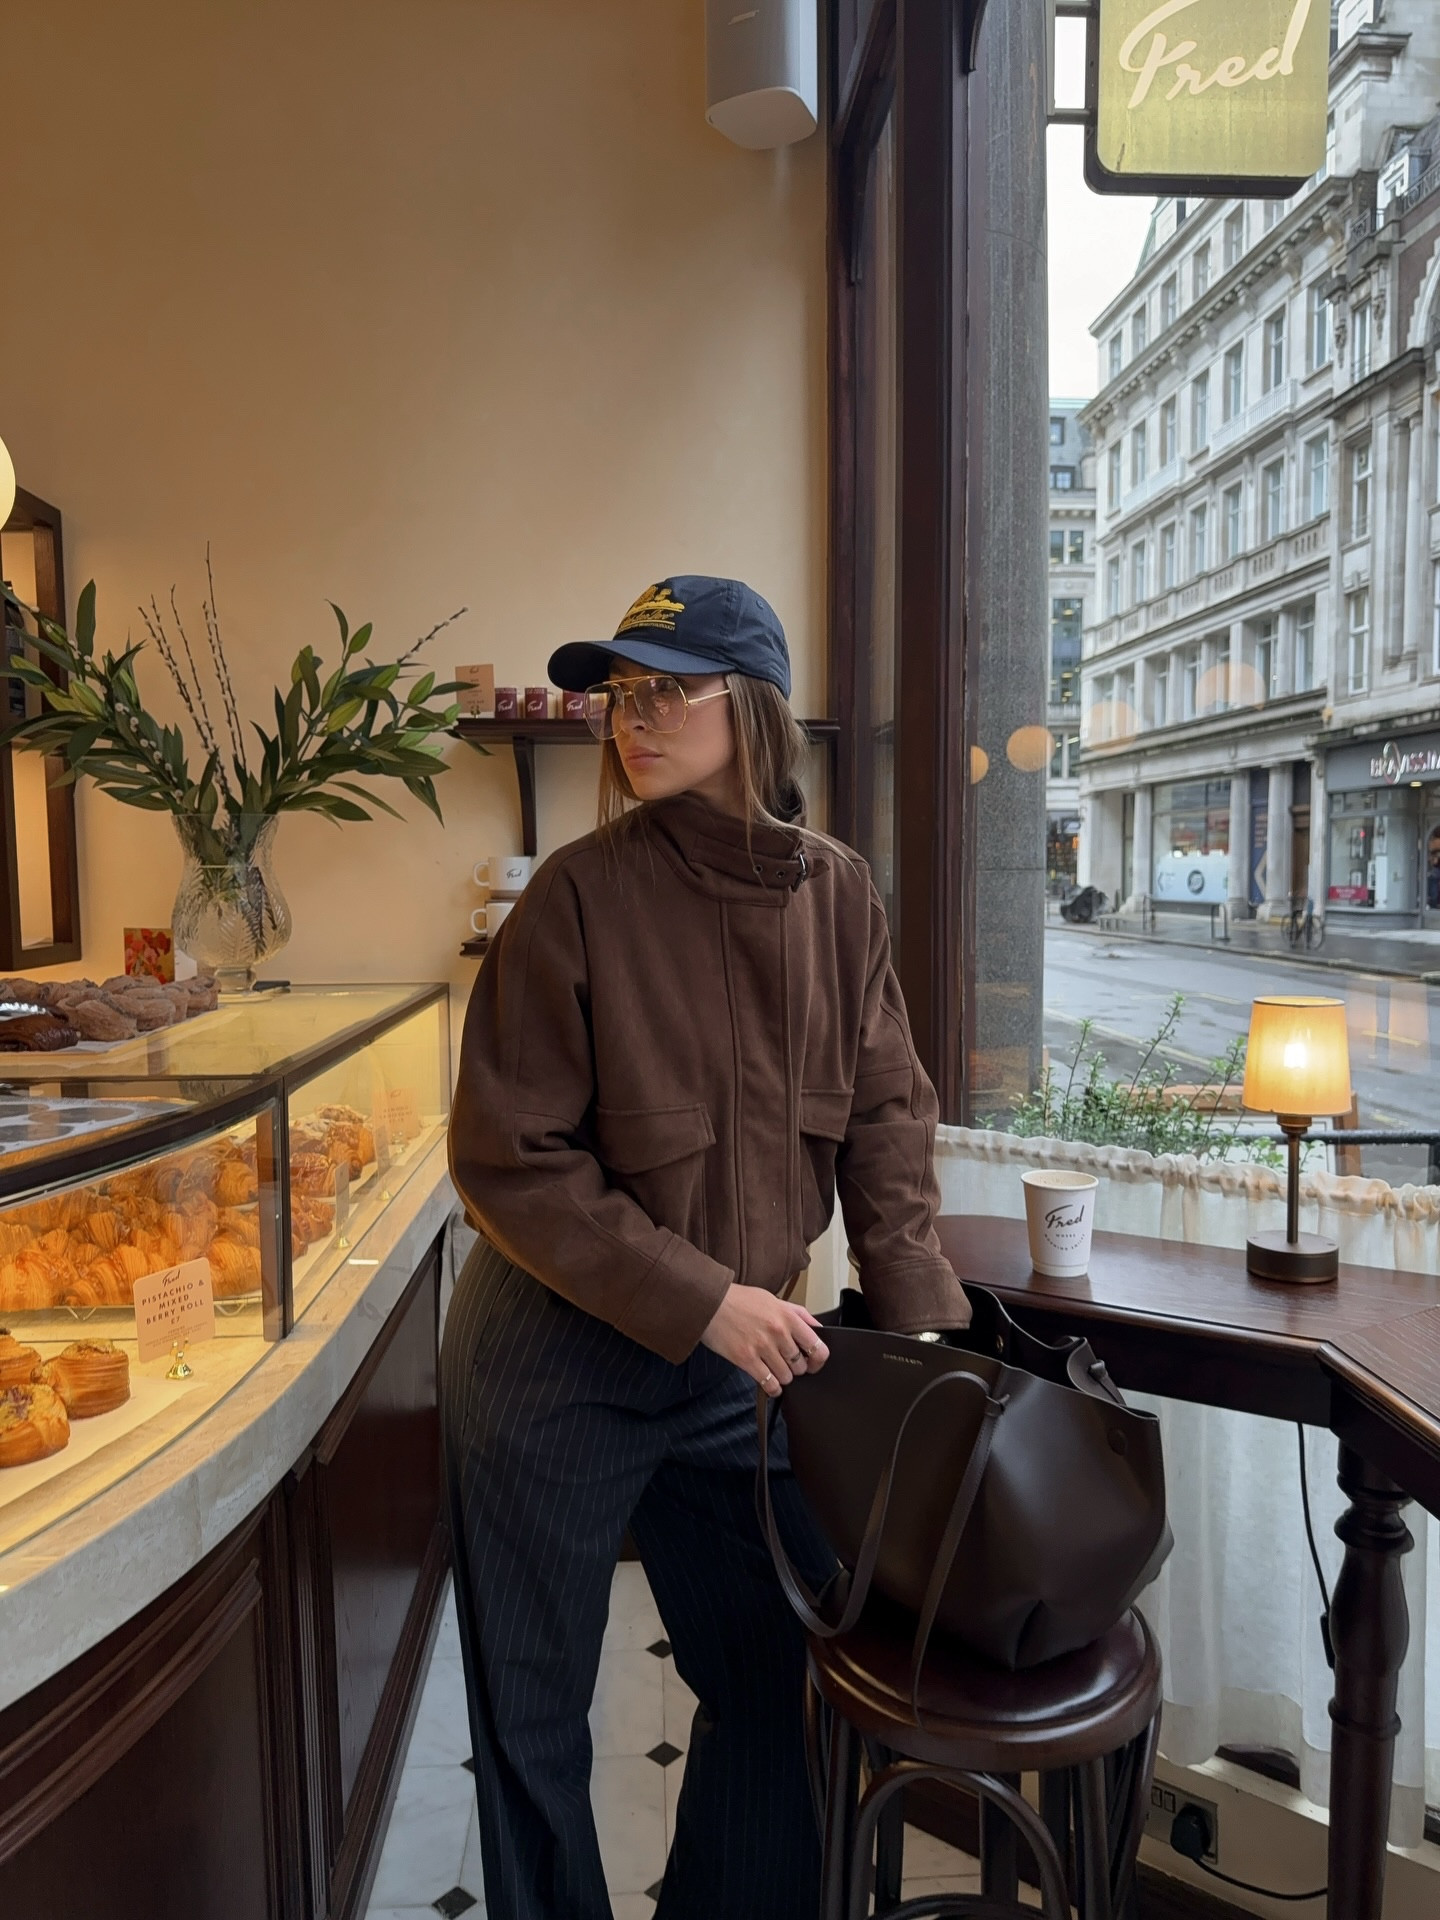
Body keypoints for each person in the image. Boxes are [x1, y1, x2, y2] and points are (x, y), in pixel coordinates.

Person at [442, 575, 971, 1919]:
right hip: (550, 1362)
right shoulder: (575, 896)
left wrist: (915, 1323)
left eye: (668, 691)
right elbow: (509, 1157)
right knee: (532, 1721)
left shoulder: (840, 895)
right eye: (620, 695)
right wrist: (704, 1299)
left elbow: (888, 1115)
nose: (633, 719)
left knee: (777, 1675)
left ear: (756, 707)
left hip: (739, 1369)